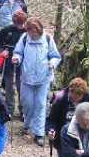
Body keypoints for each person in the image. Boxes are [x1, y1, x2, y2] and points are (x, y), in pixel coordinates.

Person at [14, 17, 61, 146]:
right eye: (28, 30)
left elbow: (56, 56)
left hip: (43, 78)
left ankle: (39, 133)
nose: (31, 33)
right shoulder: (24, 39)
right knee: (27, 103)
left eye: (32, 31)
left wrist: (52, 63)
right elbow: (18, 52)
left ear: (38, 29)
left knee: (40, 105)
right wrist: (16, 59)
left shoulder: (47, 39)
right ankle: (27, 124)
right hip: (26, 78)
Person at [46, 78, 89, 157]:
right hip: (64, 138)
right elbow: (51, 119)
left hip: (84, 136)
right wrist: (50, 130)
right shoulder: (60, 99)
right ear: (70, 90)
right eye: (77, 94)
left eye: (81, 95)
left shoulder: (88, 98)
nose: (80, 97)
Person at [0, 10, 27, 119]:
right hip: (8, 60)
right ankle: (9, 109)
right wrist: (2, 51)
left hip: (22, 61)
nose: (20, 26)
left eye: (21, 23)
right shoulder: (6, 30)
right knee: (9, 86)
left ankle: (23, 109)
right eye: (17, 24)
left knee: (21, 86)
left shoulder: (27, 31)